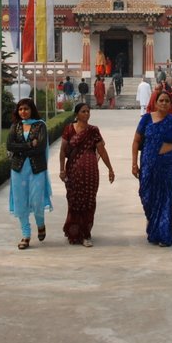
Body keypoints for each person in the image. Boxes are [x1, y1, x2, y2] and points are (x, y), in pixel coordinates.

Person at [131, 90, 172, 247]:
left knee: (166, 199)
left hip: (168, 165)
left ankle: (164, 234)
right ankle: (152, 221)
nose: (164, 103)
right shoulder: (146, 119)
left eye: (167, 101)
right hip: (148, 164)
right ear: (155, 102)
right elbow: (136, 141)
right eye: (161, 100)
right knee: (146, 195)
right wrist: (134, 163)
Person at [59, 102, 115, 246]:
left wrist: (110, 168)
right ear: (76, 114)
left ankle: (85, 234)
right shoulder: (69, 129)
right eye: (83, 111)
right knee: (74, 200)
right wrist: (61, 170)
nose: (86, 114)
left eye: (88, 111)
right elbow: (63, 150)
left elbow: (101, 150)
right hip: (73, 171)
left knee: (89, 202)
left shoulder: (93, 130)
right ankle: (73, 232)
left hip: (91, 173)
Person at [6, 98, 52, 250]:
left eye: (26, 109)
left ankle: (40, 223)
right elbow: (9, 145)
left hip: (36, 168)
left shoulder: (40, 126)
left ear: (32, 109)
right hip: (18, 170)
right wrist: (27, 145)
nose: (23, 112)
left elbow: (40, 148)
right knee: (20, 202)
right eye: (20, 109)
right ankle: (25, 234)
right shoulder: (16, 126)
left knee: (37, 201)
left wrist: (20, 149)